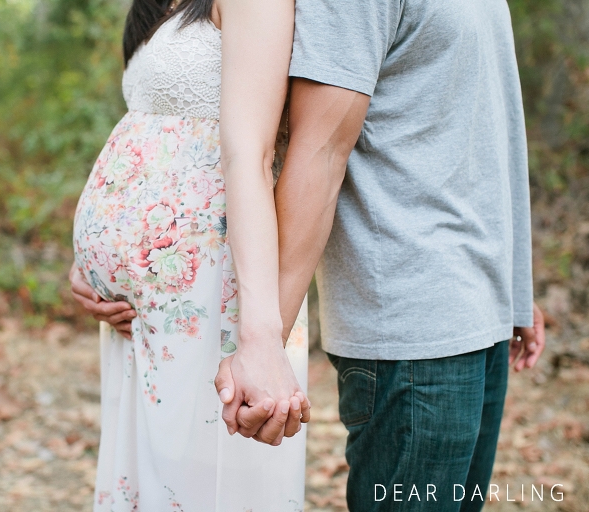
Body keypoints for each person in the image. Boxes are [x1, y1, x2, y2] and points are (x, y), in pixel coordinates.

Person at [83, 0, 549, 511]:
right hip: (416, 313)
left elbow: (487, 121)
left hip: (453, 307)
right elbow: (318, 149)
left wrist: (516, 285)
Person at [69, 0, 310, 508]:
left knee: (201, 474)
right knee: (154, 469)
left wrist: (261, 333)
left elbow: (251, 153)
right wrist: (95, 258)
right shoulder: (162, 5)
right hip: (143, 312)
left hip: (216, 282)